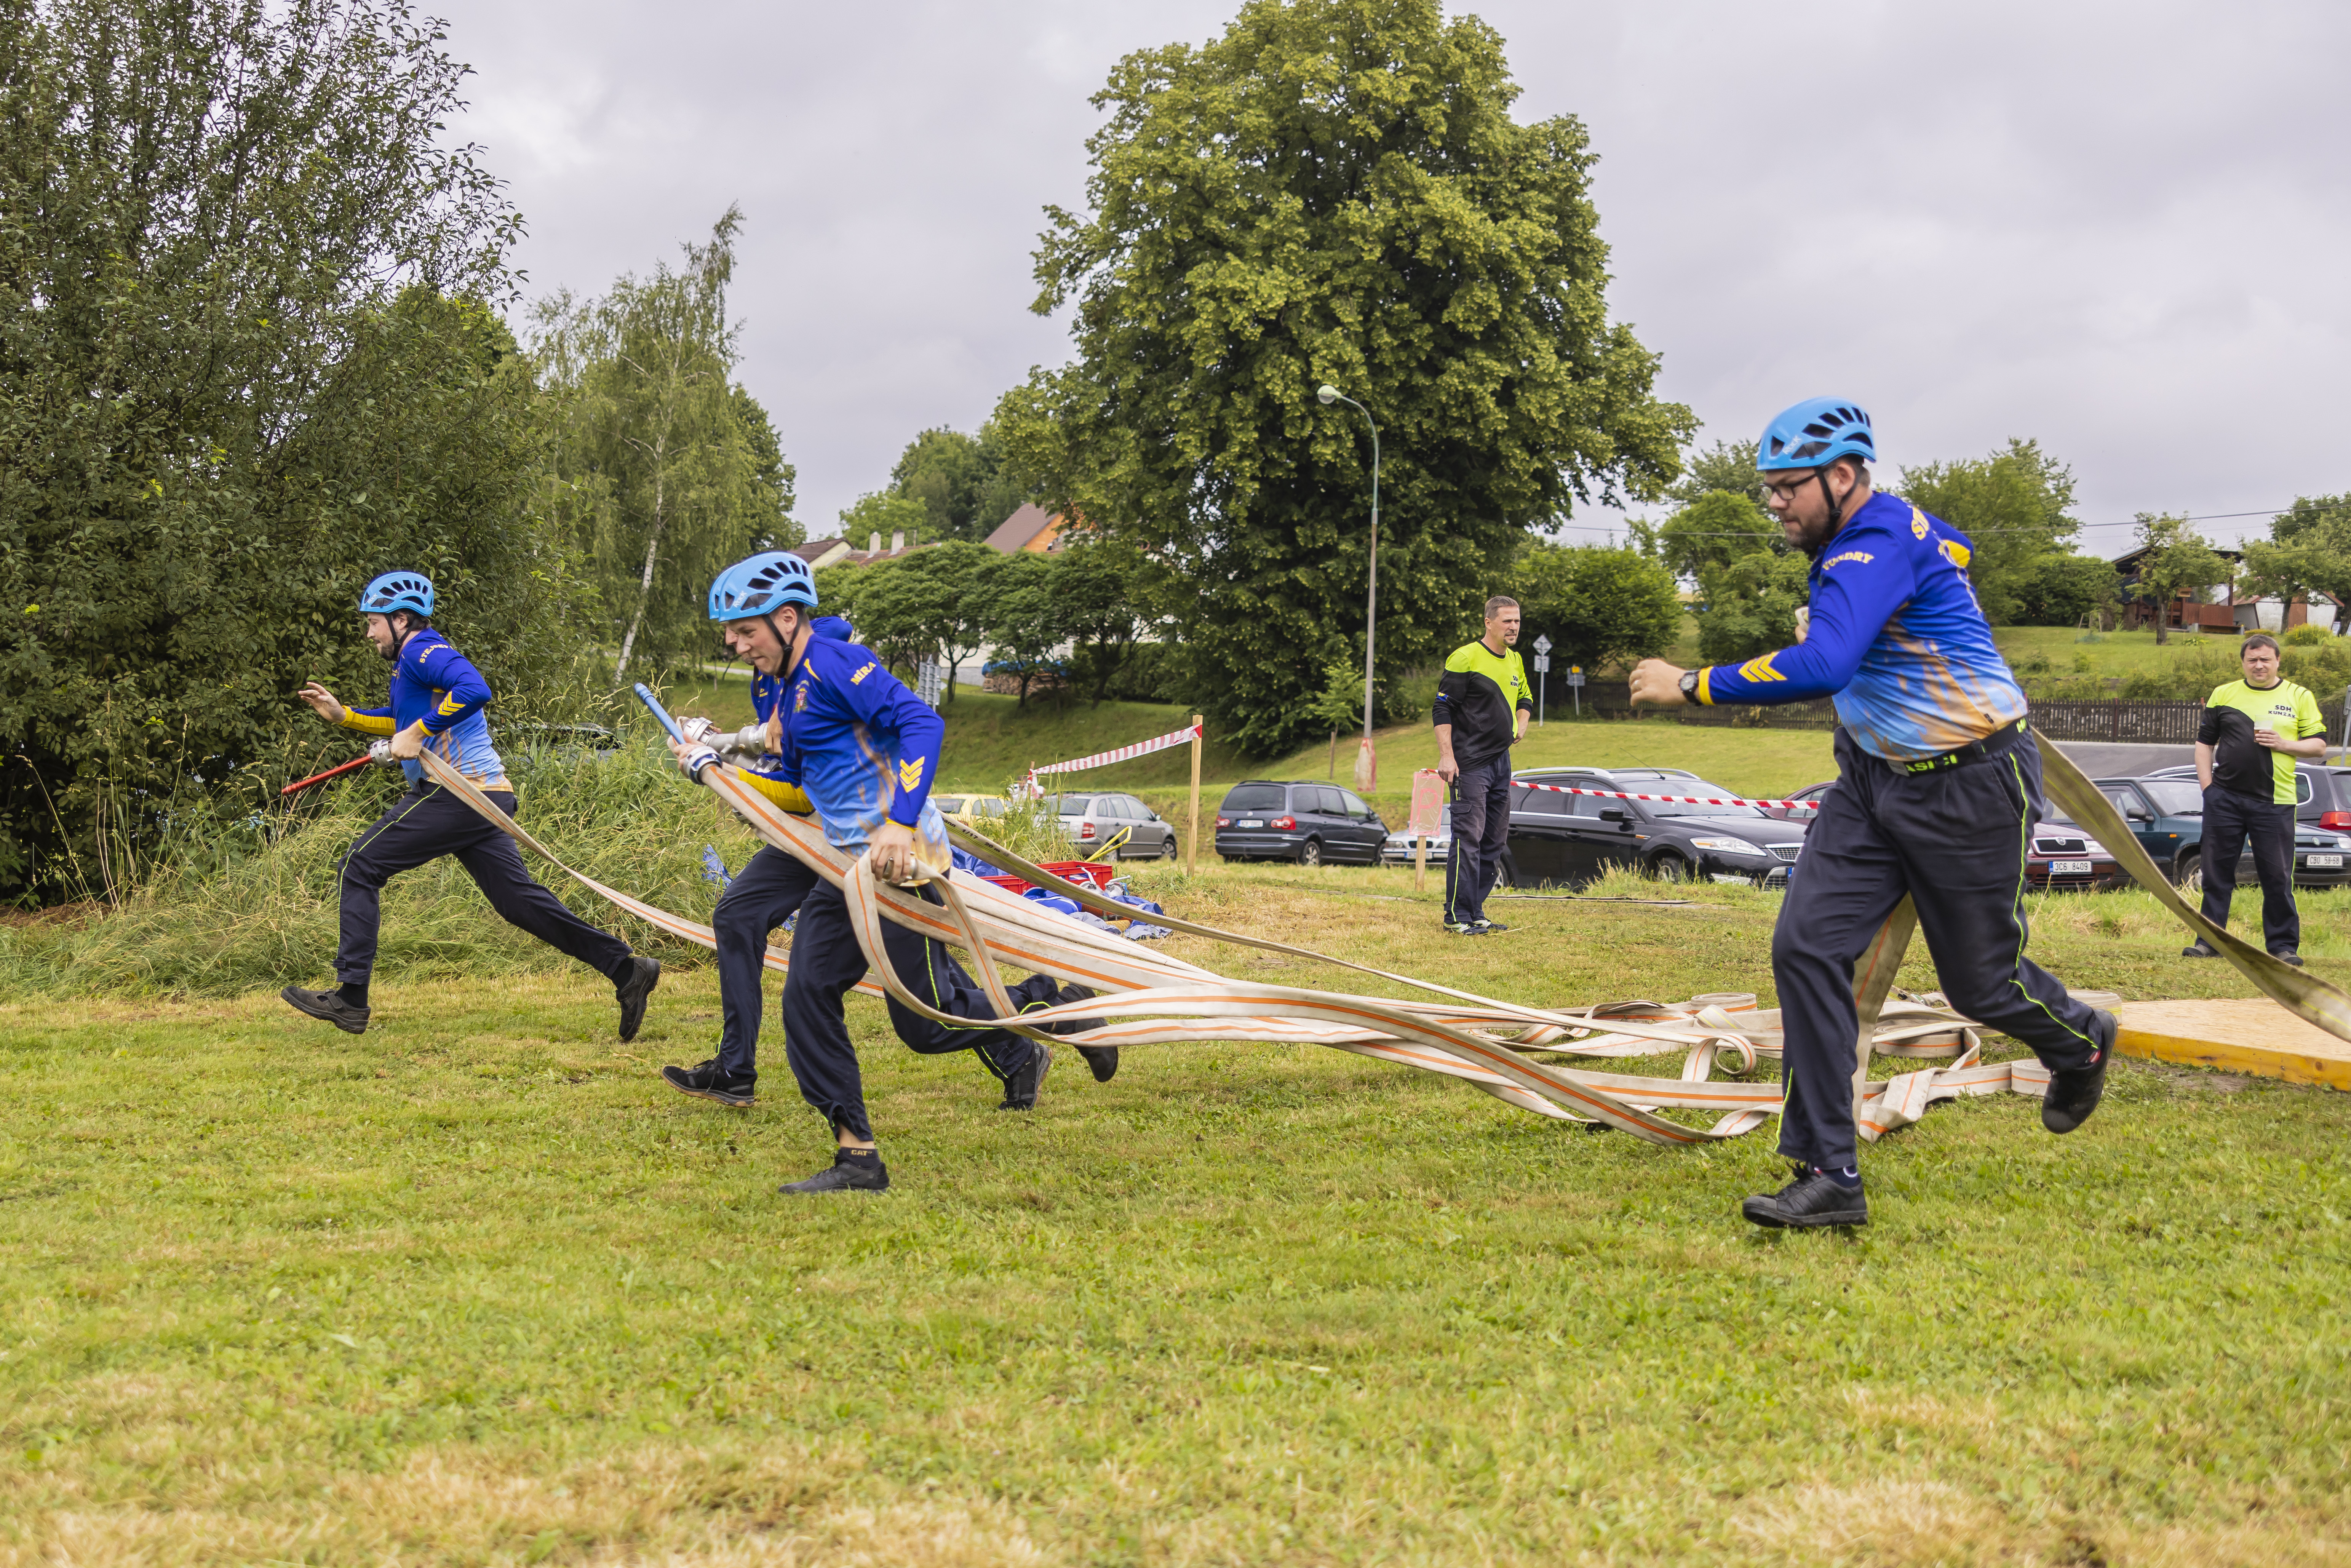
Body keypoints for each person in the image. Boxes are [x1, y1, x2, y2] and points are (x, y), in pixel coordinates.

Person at [1627, 398, 2116, 1230]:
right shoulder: (1880, 541)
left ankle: (2080, 1042)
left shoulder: (1874, 541)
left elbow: (1823, 664)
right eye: (1767, 490)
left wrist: (1691, 683)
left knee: (1979, 983)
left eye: (1786, 488)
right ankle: (1828, 1173)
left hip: (1967, 785)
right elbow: (1951, 546)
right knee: (1805, 946)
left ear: (1842, 477)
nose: (1773, 504)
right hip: (1867, 783)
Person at [663, 552, 1102, 1194]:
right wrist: (719, 767)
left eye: (746, 630)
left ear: (787, 619)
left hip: (904, 861)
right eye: (730, 633)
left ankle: (1049, 1008)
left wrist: (899, 822)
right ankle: (858, 1158)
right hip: (841, 865)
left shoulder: (835, 665)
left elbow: (921, 723)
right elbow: (796, 786)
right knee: (807, 995)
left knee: (926, 1023)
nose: (734, 643)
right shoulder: (777, 687)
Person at [281, 571, 660, 1038]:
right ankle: (627, 971)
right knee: (518, 902)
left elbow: (475, 689)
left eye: (373, 622)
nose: (369, 633)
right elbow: (400, 721)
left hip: (458, 793)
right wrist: (347, 717)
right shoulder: (409, 664)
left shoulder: (424, 650)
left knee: (360, 865)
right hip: (483, 795)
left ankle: (350, 998)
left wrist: (418, 733)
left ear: (401, 619)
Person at [2185, 633, 2325, 967]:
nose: (2259, 665)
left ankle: (2282, 947)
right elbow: (2204, 743)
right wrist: (2208, 788)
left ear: (2277, 661)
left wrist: (2283, 744)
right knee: (2216, 874)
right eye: (2252, 659)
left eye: (2265, 659)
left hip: (2275, 802)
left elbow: (2319, 746)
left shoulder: (2298, 695)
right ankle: (2209, 941)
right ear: (2244, 662)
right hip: (2224, 800)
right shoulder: (2224, 694)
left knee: (2276, 876)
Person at [1433, 596, 1531, 935]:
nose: (1514, 627)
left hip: (1501, 763)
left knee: (1493, 840)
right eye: (1507, 621)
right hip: (1468, 764)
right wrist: (1447, 756)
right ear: (1488, 622)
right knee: (1468, 839)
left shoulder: (1516, 659)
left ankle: (1475, 911)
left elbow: (1525, 698)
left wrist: (1522, 722)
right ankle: (1456, 916)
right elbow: (1442, 709)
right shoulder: (1465, 657)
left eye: (1517, 621)